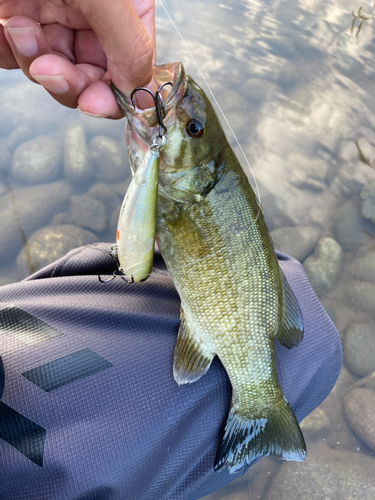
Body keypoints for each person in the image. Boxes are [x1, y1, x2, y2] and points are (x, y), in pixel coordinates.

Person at [0, 3, 342, 499]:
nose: (183, 121)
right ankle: (256, 407)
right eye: (194, 130)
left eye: (193, 130)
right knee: (315, 349)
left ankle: (258, 406)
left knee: (308, 338)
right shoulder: (181, 176)